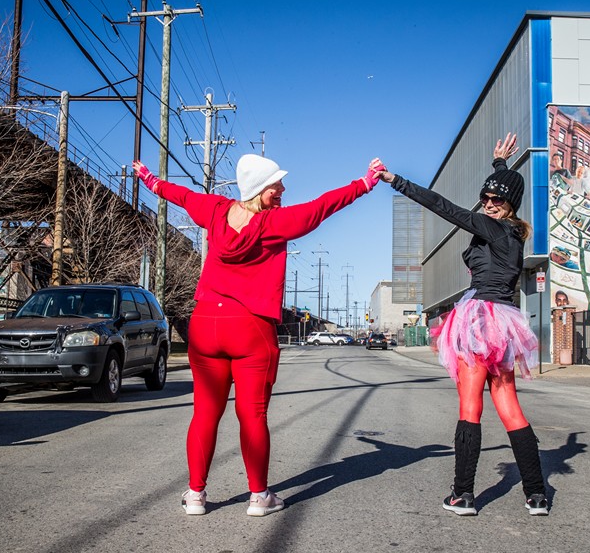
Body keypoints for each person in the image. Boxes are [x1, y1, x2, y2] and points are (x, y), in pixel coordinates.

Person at [132, 154, 384, 517]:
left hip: (204, 323)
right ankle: (258, 496)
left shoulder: (215, 210)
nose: (283, 189)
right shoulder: (275, 223)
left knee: (204, 413)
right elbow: (321, 207)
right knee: (252, 415)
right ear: (260, 190)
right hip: (249, 326)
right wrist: (363, 184)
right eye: (276, 185)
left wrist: (150, 180)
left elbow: (181, 196)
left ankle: (195, 495)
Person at [375, 133, 548, 517]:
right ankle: (537, 495)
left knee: (470, 406)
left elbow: (445, 208)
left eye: (496, 201)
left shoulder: (493, 228)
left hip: (478, 322)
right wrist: (500, 166)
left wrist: (396, 181)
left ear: (509, 205)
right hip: (503, 326)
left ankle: (463, 495)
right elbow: (499, 198)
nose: (488, 205)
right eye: (486, 199)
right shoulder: (513, 234)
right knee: (510, 409)